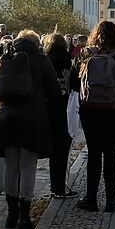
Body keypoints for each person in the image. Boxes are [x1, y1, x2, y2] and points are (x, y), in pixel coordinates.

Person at [0, 30, 61, 229]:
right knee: (28, 166)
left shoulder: (4, 58)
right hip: (32, 117)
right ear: (36, 43)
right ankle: (23, 217)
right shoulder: (41, 60)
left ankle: (11, 215)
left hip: (5, 117)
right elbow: (54, 91)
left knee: (10, 165)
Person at [72, 21, 115, 213]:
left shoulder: (85, 55)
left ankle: (90, 199)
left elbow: (73, 83)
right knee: (111, 153)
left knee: (93, 153)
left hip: (90, 110)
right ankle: (111, 199)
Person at [43, 33, 78, 199]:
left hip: (48, 108)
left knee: (53, 150)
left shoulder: (45, 60)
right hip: (66, 108)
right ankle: (61, 186)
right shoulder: (67, 60)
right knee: (62, 150)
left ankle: (54, 186)